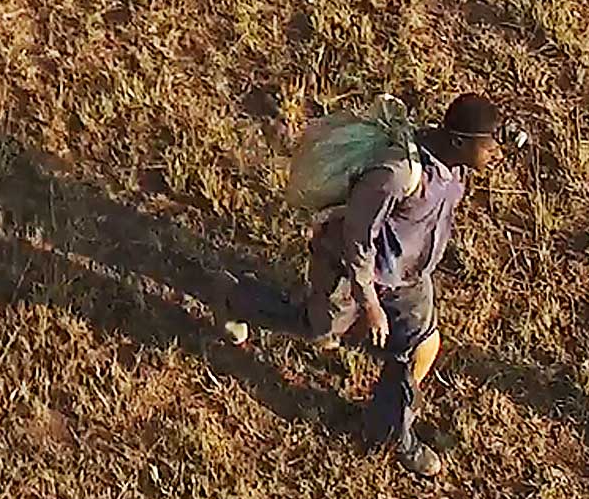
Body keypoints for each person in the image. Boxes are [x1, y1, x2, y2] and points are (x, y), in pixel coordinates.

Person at [217, 93, 509, 479]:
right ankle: (238, 299)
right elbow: (357, 239)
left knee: (417, 347)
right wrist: (369, 302)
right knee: (319, 329)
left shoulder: (456, 168)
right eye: (490, 147)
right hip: (352, 272)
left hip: (409, 278)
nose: (497, 155)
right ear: (458, 141)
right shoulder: (396, 175)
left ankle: (387, 430)